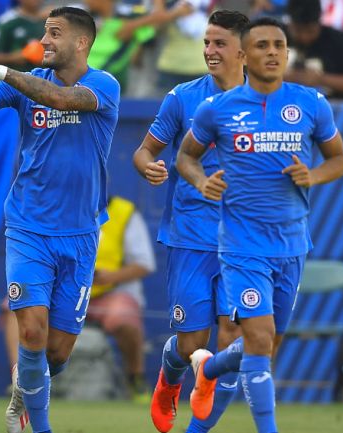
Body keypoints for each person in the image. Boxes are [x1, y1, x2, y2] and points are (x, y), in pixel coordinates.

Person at [0, 7, 120, 433]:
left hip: (80, 234)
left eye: (54, 34)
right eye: (44, 32)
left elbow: (58, 99)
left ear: (81, 42)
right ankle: (36, 428)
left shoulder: (103, 85)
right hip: (28, 228)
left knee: (55, 353)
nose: (44, 41)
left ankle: (27, 384)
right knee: (33, 333)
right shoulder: (26, 85)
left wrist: (0, 70)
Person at [176, 17, 343, 433]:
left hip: (292, 244)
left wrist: (313, 175)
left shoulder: (311, 103)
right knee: (257, 340)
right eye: (263, 46)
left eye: (279, 45)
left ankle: (211, 370)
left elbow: (338, 161)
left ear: (287, 53)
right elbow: (185, 157)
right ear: (245, 56)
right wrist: (202, 181)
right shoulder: (218, 109)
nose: (272, 52)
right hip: (241, 246)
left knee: (264, 346)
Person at [133, 9, 247, 433]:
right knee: (191, 345)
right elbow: (144, 151)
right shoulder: (182, 97)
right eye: (206, 42)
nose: (209, 51)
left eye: (219, 43)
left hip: (243, 241)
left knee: (235, 339)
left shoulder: (268, 103)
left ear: (243, 50)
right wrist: (149, 166)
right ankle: (169, 376)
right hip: (191, 235)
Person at [0, 195, 156, 401]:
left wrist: (109, 276)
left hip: (108, 292)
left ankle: (135, 378)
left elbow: (145, 264)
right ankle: (22, 379)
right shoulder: (57, 207)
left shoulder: (124, 212)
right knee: (15, 305)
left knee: (124, 316)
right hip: (65, 287)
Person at [285, 0, 343, 100]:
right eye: (298, 31)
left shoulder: (336, 40)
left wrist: (321, 79)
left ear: (319, 23)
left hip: (330, 108)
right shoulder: (276, 36)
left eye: (310, 31)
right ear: (290, 24)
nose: (304, 37)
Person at [0, 0, 48, 73]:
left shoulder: (50, 19)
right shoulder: (8, 21)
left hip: (45, 79)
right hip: (15, 79)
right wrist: (19, 56)